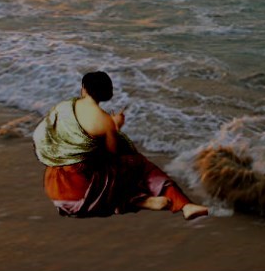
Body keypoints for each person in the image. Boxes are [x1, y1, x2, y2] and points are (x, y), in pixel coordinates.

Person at [33, 70, 209, 220]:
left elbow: (42, 135)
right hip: (83, 195)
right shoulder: (103, 121)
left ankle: (138, 200)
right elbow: (112, 154)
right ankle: (184, 205)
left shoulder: (62, 107)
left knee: (100, 165)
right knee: (138, 164)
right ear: (105, 93)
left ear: (84, 89)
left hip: (56, 188)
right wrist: (114, 126)